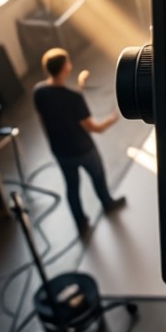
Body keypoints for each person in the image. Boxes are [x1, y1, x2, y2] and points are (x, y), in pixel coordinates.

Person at [33, 48, 125, 235]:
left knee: (72, 187)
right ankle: (107, 204)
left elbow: (51, 112)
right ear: (65, 68)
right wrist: (112, 119)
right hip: (84, 150)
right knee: (98, 178)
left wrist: (80, 85)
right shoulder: (74, 98)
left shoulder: (39, 92)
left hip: (60, 151)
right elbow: (95, 128)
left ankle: (80, 222)